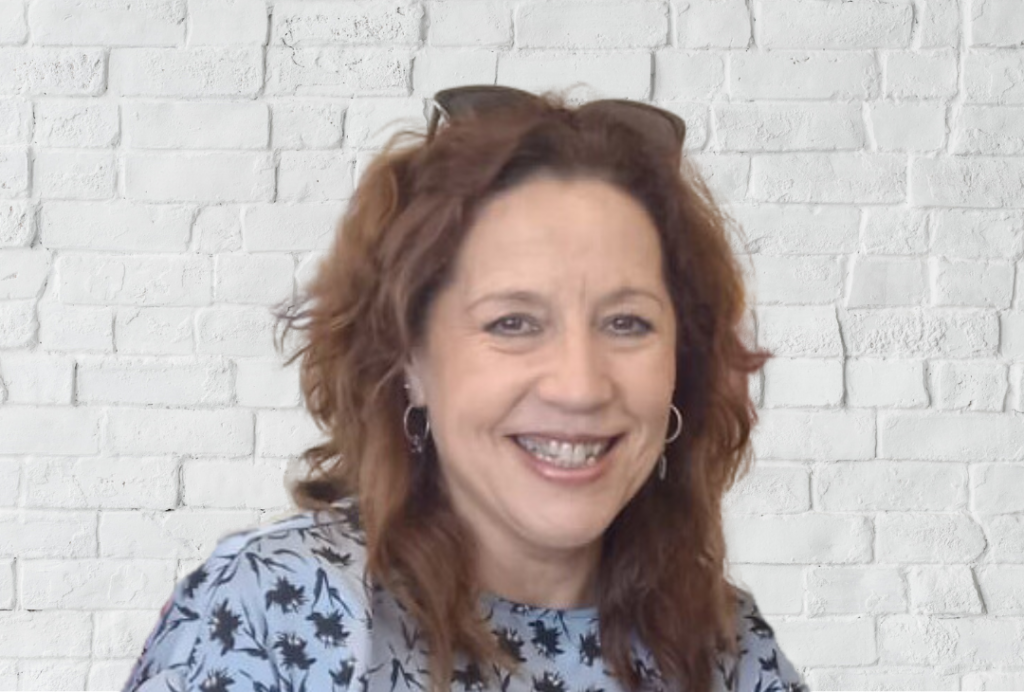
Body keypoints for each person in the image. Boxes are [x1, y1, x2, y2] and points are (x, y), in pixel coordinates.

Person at [122, 85, 805, 692]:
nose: (579, 385)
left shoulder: (728, 650)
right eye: (512, 322)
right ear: (409, 359)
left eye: (627, 322)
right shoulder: (278, 608)